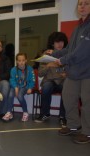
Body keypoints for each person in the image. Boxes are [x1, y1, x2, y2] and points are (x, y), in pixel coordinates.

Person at [49, 0, 90, 144]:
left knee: (87, 103)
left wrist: (63, 60)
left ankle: (87, 132)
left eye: (86, 3)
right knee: (68, 97)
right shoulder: (77, 28)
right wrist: (53, 54)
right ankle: (74, 125)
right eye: (80, 4)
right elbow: (69, 49)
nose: (82, 6)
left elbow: (82, 52)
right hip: (74, 72)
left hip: (87, 73)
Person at [35, 32, 68, 126]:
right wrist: (48, 65)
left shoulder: (67, 54)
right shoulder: (46, 55)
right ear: (52, 43)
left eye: (61, 41)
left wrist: (66, 73)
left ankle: (63, 116)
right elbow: (40, 74)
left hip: (62, 81)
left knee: (67, 87)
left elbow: (72, 70)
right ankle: (45, 113)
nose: (59, 44)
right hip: (49, 81)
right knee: (46, 86)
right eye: (57, 42)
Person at [2, 53, 35, 122]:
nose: (21, 62)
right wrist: (15, 87)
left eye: (23, 60)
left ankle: (25, 112)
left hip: (25, 86)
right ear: (16, 61)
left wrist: (30, 88)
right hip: (15, 86)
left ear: (26, 60)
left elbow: (32, 80)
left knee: (20, 96)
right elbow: (12, 80)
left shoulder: (30, 69)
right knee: (10, 94)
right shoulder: (13, 70)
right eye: (19, 61)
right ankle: (9, 112)